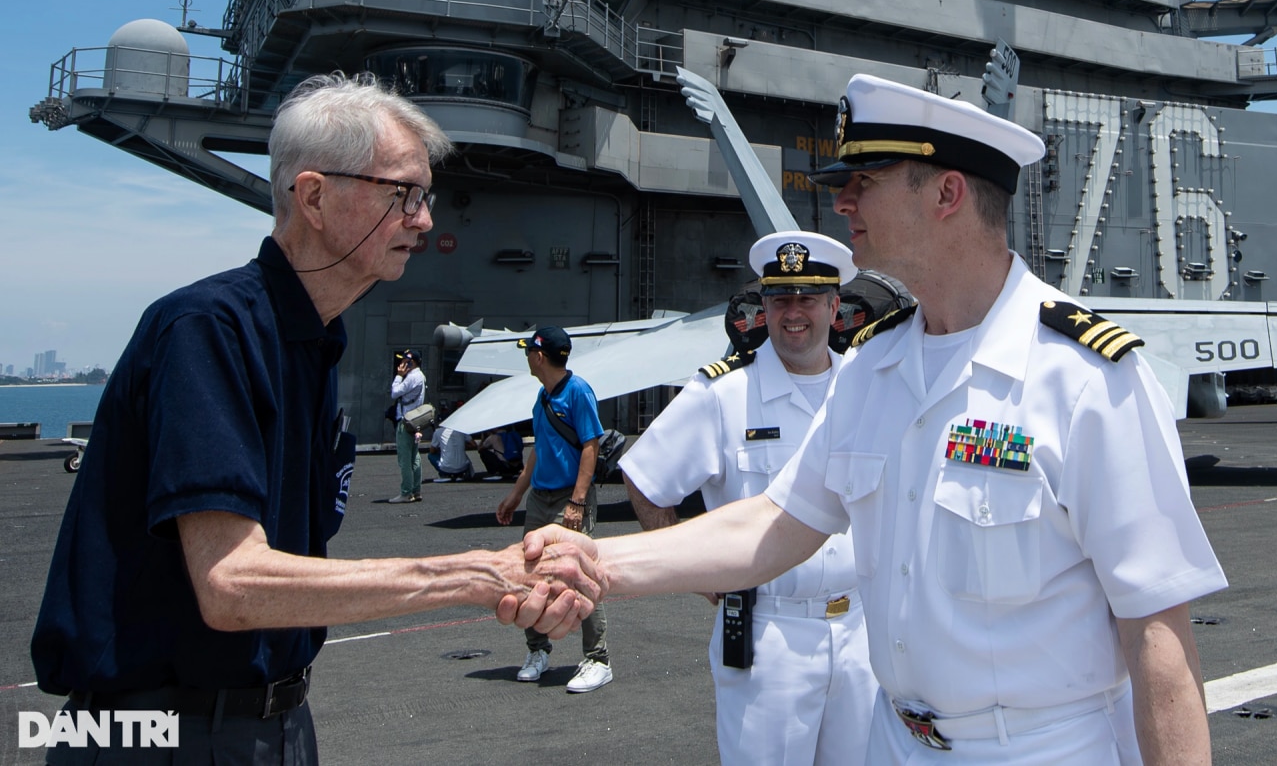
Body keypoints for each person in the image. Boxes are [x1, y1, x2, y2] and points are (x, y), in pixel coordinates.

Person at [526, 73, 1227, 764]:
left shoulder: (1087, 380)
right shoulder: (869, 369)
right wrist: (593, 559)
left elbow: (1157, 637)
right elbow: (774, 524)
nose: (842, 202)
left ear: (948, 192)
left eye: (866, 180)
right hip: (892, 742)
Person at [29, 72, 599, 764]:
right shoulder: (208, 331)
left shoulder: (309, 345)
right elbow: (232, 586)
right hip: (160, 735)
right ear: (315, 197)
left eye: (426, 196)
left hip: (272, 724)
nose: (424, 219)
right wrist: (473, 575)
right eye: (403, 194)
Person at [621, 230, 878, 766]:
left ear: (835, 306)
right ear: (763, 306)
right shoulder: (723, 393)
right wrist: (695, 570)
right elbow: (645, 478)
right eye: (780, 299)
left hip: (862, 632)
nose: (794, 313)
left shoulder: (866, 386)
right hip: (770, 636)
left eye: (808, 298)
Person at [496, 326, 612, 694]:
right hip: (540, 498)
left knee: (578, 574)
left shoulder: (578, 392)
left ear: (539, 357)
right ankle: (537, 651)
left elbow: (591, 446)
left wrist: (577, 501)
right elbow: (539, 451)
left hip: (568, 498)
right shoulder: (542, 397)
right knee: (530, 571)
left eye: (528, 351)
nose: (527, 357)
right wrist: (516, 494)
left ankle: (598, 658)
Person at [389, 348, 427, 503]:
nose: (402, 364)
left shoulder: (412, 377)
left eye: (406, 361)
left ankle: (406, 492)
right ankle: (416, 490)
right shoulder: (421, 376)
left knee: (405, 459)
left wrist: (398, 376)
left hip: (406, 421)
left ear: (413, 362)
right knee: (414, 457)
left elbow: (394, 393)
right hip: (416, 421)